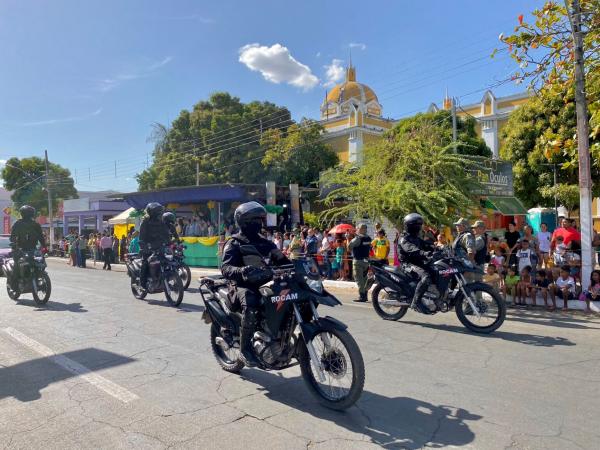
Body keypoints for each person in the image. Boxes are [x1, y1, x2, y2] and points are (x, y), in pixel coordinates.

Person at [221, 201, 290, 367]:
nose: (259, 224)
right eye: (255, 220)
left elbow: (282, 260)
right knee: (251, 302)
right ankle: (245, 350)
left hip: (266, 284)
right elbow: (225, 268)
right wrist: (243, 271)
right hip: (241, 286)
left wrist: (300, 267)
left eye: (260, 220)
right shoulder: (235, 242)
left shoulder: (267, 243)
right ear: (244, 222)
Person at [398, 213, 436, 310]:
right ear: (409, 226)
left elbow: (425, 245)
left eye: (419, 225)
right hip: (407, 264)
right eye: (416, 226)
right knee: (425, 277)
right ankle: (416, 302)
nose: (418, 228)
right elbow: (411, 249)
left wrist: (436, 248)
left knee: (436, 270)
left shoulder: (415, 238)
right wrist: (424, 253)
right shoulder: (404, 238)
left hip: (418, 262)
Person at [9, 205, 45, 281]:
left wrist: (45, 247)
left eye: (29, 213)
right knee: (17, 265)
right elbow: (12, 237)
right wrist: (15, 245)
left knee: (42, 262)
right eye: (27, 213)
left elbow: (41, 237)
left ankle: (37, 276)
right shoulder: (17, 224)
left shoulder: (36, 225)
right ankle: (14, 283)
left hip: (33, 250)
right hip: (20, 250)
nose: (28, 215)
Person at [139, 202, 170, 289]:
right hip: (148, 248)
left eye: (161, 212)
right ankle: (142, 284)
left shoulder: (161, 223)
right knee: (145, 263)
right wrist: (144, 247)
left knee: (168, 260)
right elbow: (141, 237)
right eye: (158, 213)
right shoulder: (145, 223)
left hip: (159, 248)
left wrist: (169, 242)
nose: (160, 214)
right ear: (152, 213)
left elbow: (166, 234)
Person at [348, 223, 372, 302]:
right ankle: (365, 295)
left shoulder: (357, 238)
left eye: (357, 228)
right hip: (366, 262)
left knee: (359, 279)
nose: (356, 229)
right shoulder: (368, 238)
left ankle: (362, 296)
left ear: (359, 229)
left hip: (358, 261)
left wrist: (348, 238)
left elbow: (349, 247)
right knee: (364, 279)